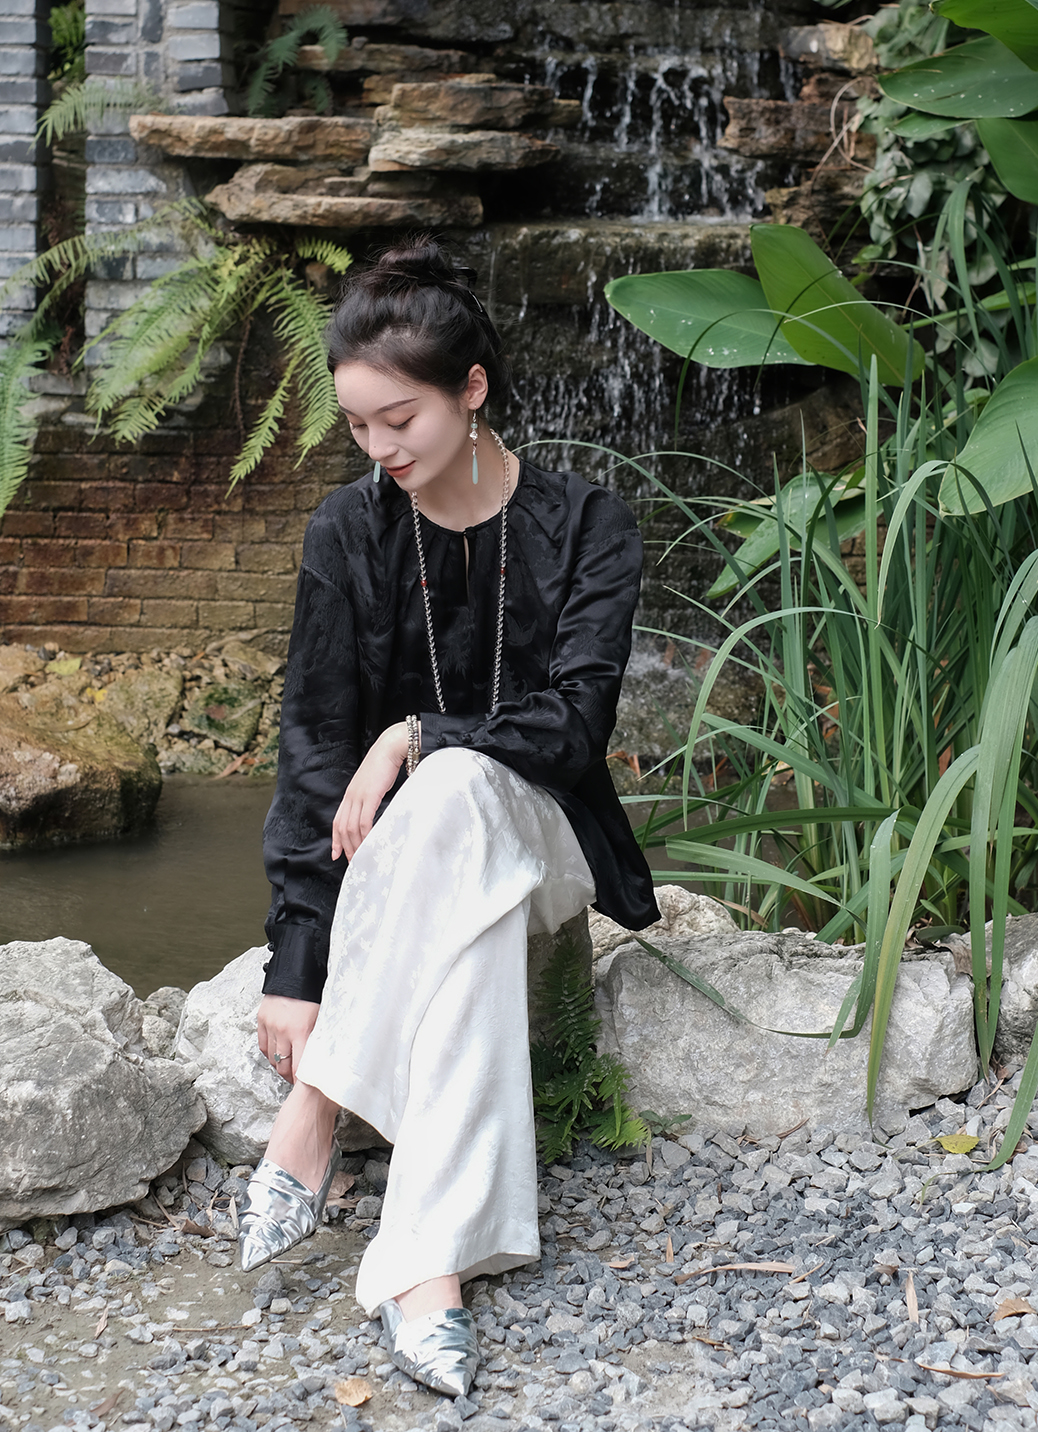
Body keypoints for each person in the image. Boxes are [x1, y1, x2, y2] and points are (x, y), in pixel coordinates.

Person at [238, 236, 659, 1399]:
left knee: (460, 782)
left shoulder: (589, 524)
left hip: (546, 842)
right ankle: (428, 1273)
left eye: (400, 419)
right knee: (459, 902)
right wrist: (295, 961)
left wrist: (417, 735)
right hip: (411, 874)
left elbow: (571, 732)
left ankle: (315, 1109)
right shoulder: (348, 532)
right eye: (357, 425)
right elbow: (314, 748)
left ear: (472, 390)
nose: (379, 450)